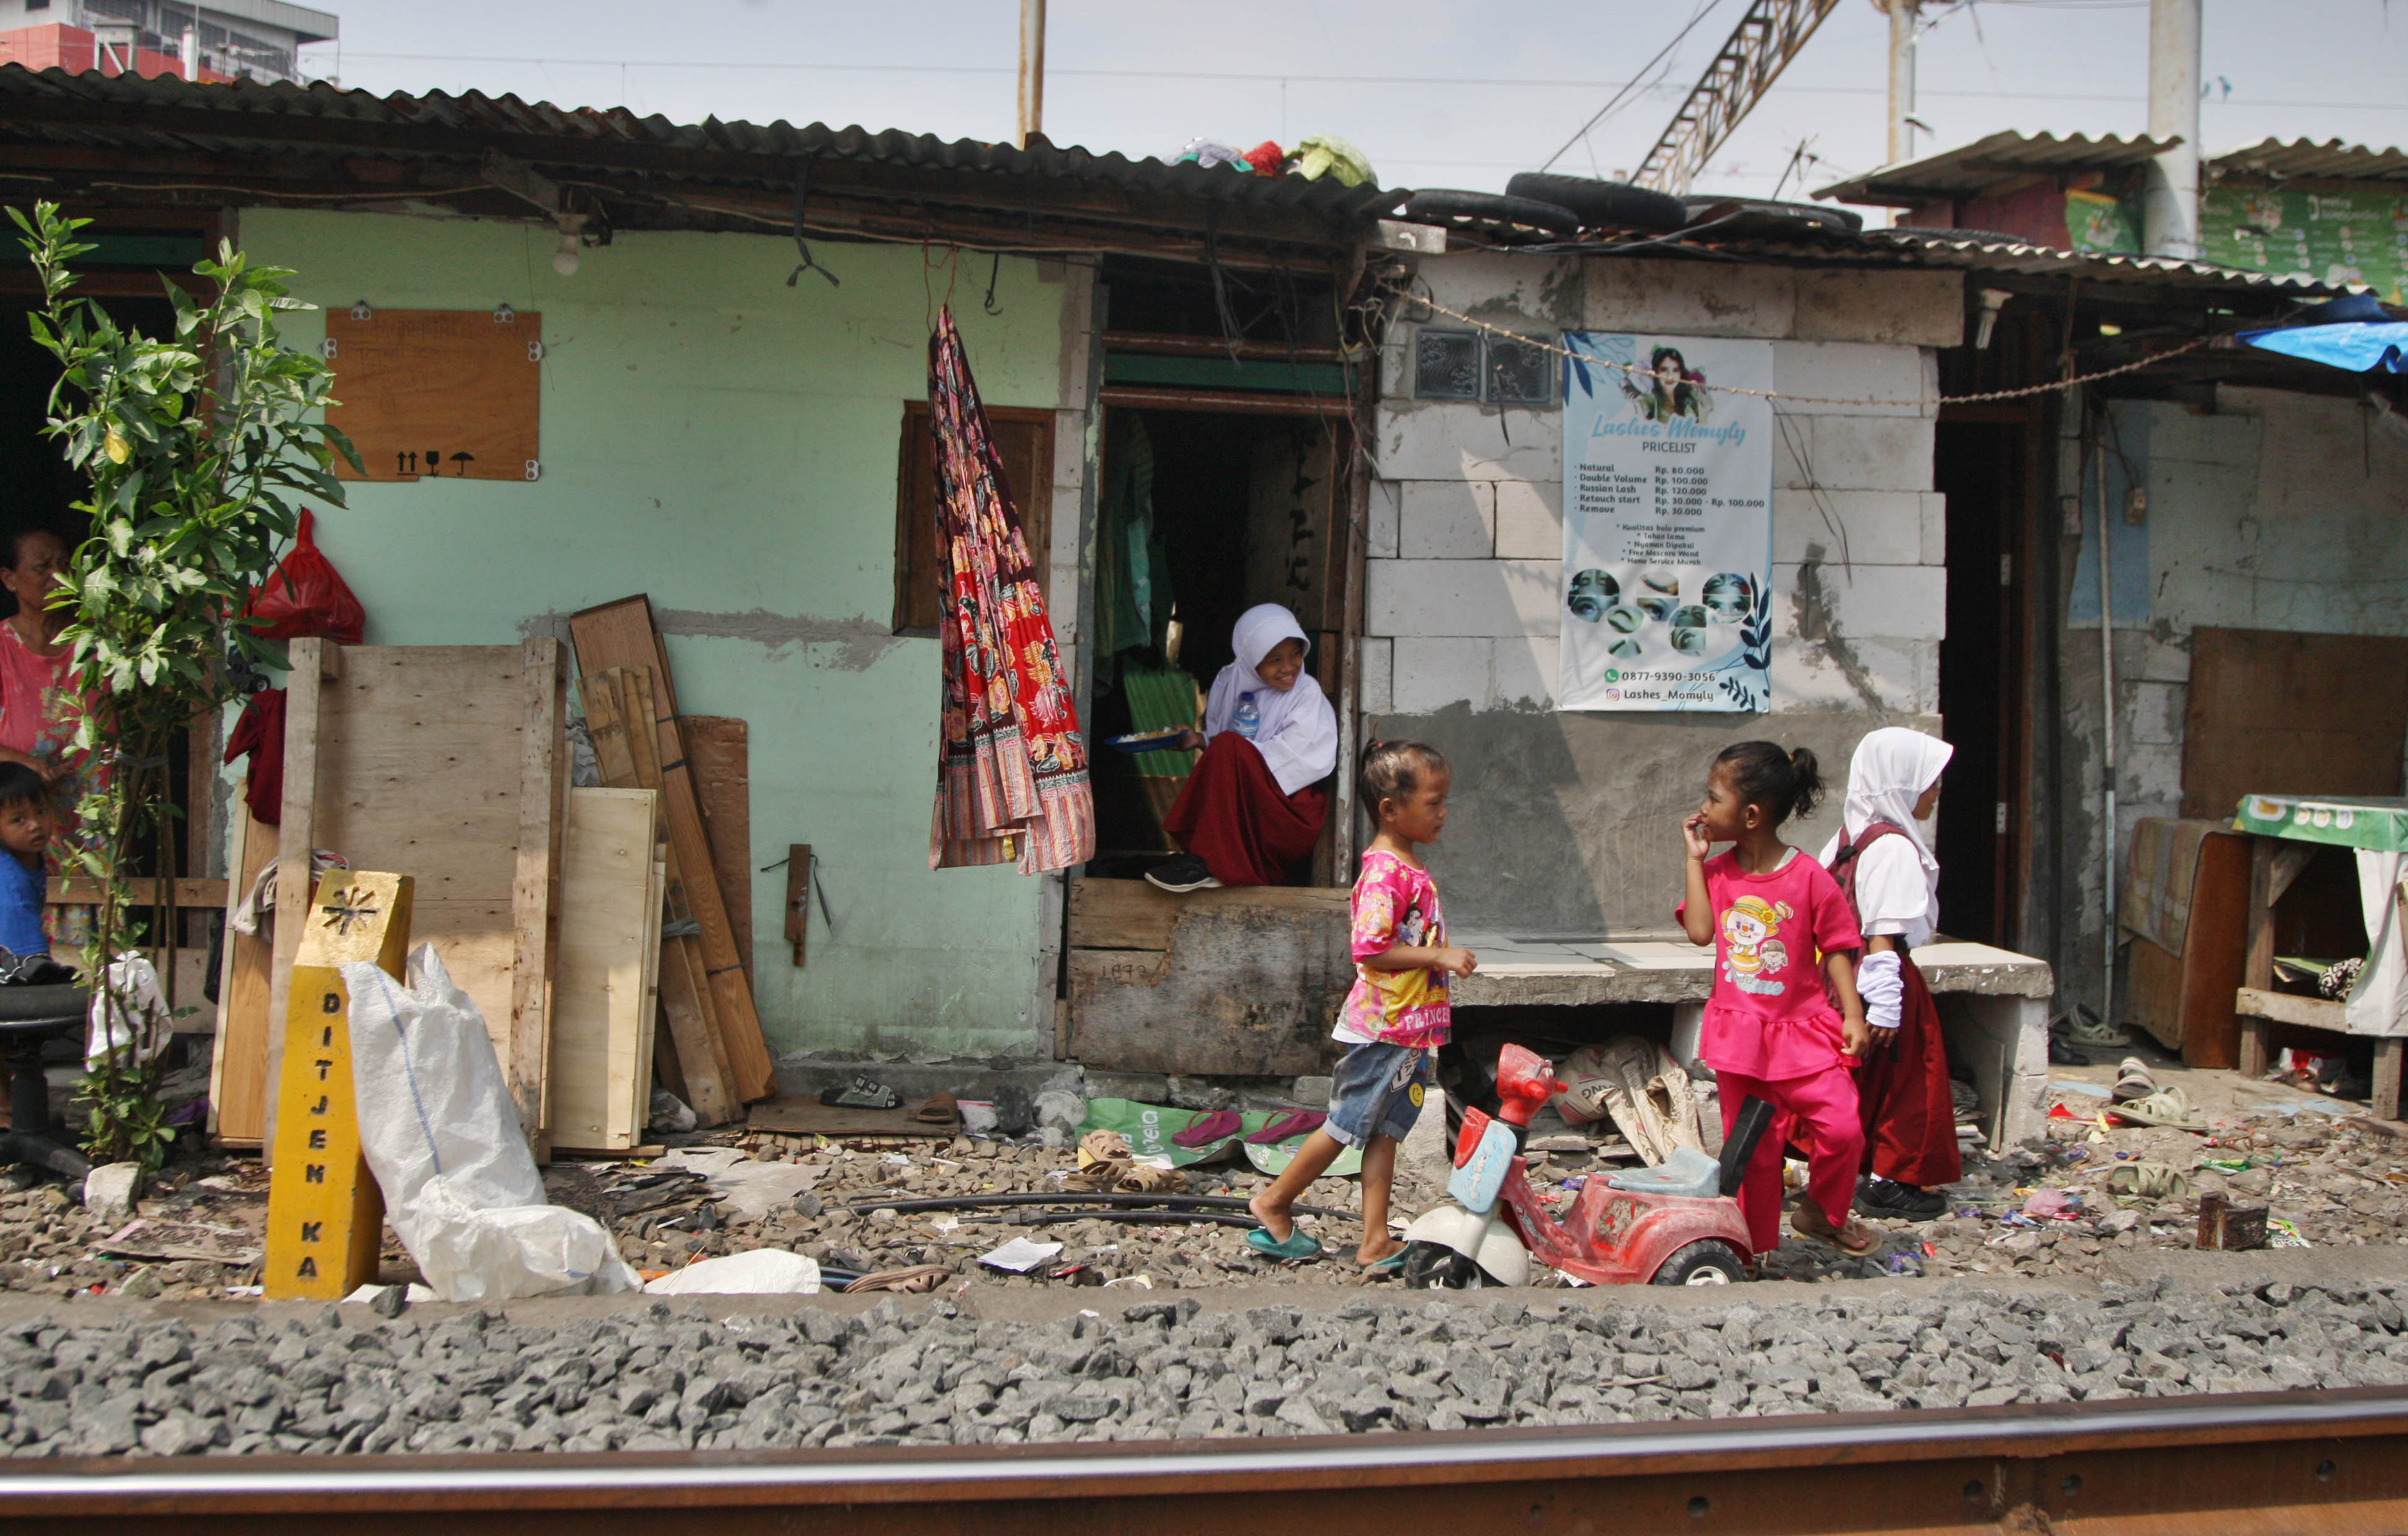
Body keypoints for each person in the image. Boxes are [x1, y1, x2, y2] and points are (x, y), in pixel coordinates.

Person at [1247, 740, 1474, 1268]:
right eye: (1434, 802)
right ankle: (1274, 1201)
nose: (1443, 813)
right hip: (1385, 1029)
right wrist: (1438, 954)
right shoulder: (1385, 873)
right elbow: (1369, 947)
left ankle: (1374, 1240)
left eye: (1444, 802)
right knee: (1346, 1125)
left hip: (1409, 1031)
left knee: (1384, 1132)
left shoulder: (1409, 868)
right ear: (1391, 810)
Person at [1677, 741, 1882, 1259]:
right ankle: (1755, 1250)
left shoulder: (1809, 876)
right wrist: (1694, 862)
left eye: (1711, 797)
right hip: (1740, 1040)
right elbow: (1701, 933)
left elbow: (1837, 945)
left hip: (1805, 1033)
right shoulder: (1718, 874)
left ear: (1749, 815)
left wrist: (1853, 1014)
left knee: (1844, 1128)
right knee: (1756, 1155)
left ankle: (1822, 1212)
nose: (1702, 808)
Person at [1818, 727, 1961, 1221]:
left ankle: (1849, 1168)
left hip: (1836, 981)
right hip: (1881, 977)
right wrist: (1886, 1004)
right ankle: (1893, 1180)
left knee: (1857, 1080)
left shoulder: (1842, 842)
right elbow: (1882, 937)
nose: (1937, 791)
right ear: (1900, 783)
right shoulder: (1894, 848)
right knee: (1910, 1080)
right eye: (1929, 781)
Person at [1146, 603, 1337, 892]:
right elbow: (1228, 743)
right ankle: (1208, 861)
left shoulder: (1306, 693)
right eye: (1274, 660)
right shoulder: (1230, 680)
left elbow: (1296, 760)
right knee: (1227, 747)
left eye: (1296, 654)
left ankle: (1208, 861)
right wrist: (1200, 739)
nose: (1289, 668)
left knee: (1228, 748)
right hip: (1251, 798)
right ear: (1251, 660)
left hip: (1290, 809)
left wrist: (1234, 757)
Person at [0, 528, 96, 951]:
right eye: (42, 568)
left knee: (94, 923)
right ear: (10, 579)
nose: (57, 576)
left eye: (64, 566)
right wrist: (28, 763)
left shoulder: (97, 642)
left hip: (93, 818)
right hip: (23, 819)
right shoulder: (2, 647)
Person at [0, 762, 47, 960]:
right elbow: (27, 962)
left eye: (41, 812)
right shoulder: (13, 887)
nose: (35, 825)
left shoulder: (27, 856)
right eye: (19, 820)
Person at [1621, 344, 1711, 423]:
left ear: (1681, 373)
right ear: (1655, 373)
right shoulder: (1647, 401)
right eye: (1664, 370)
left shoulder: (1692, 400)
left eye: (1675, 370)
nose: (1670, 376)